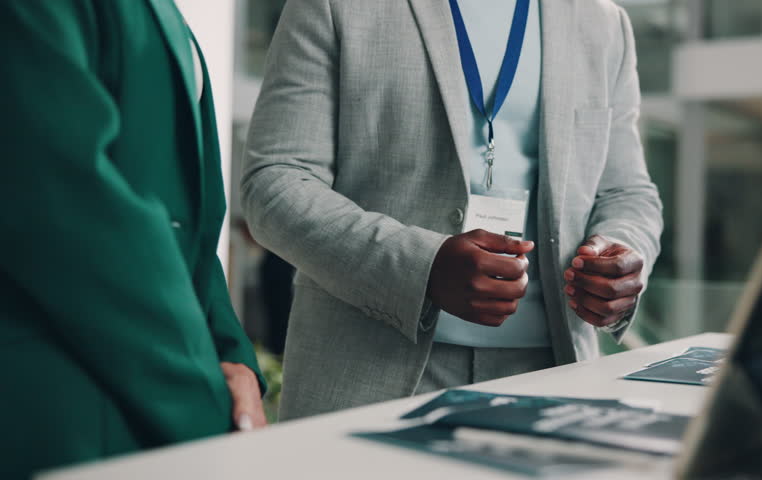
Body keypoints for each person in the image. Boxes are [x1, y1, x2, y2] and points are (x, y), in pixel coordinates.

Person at [242, 0, 662, 420]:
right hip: (368, 374)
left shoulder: (602, 21)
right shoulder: (335, 6)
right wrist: (421, 267)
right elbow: (275, 182)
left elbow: (627, 191)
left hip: (552, 376)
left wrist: (621, 254)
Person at [0, 2, 266, 478]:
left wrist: (233, 357)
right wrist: (200, 381)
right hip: (60, 411)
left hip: (146, 395)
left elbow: (186, 223)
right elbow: (62, 201)